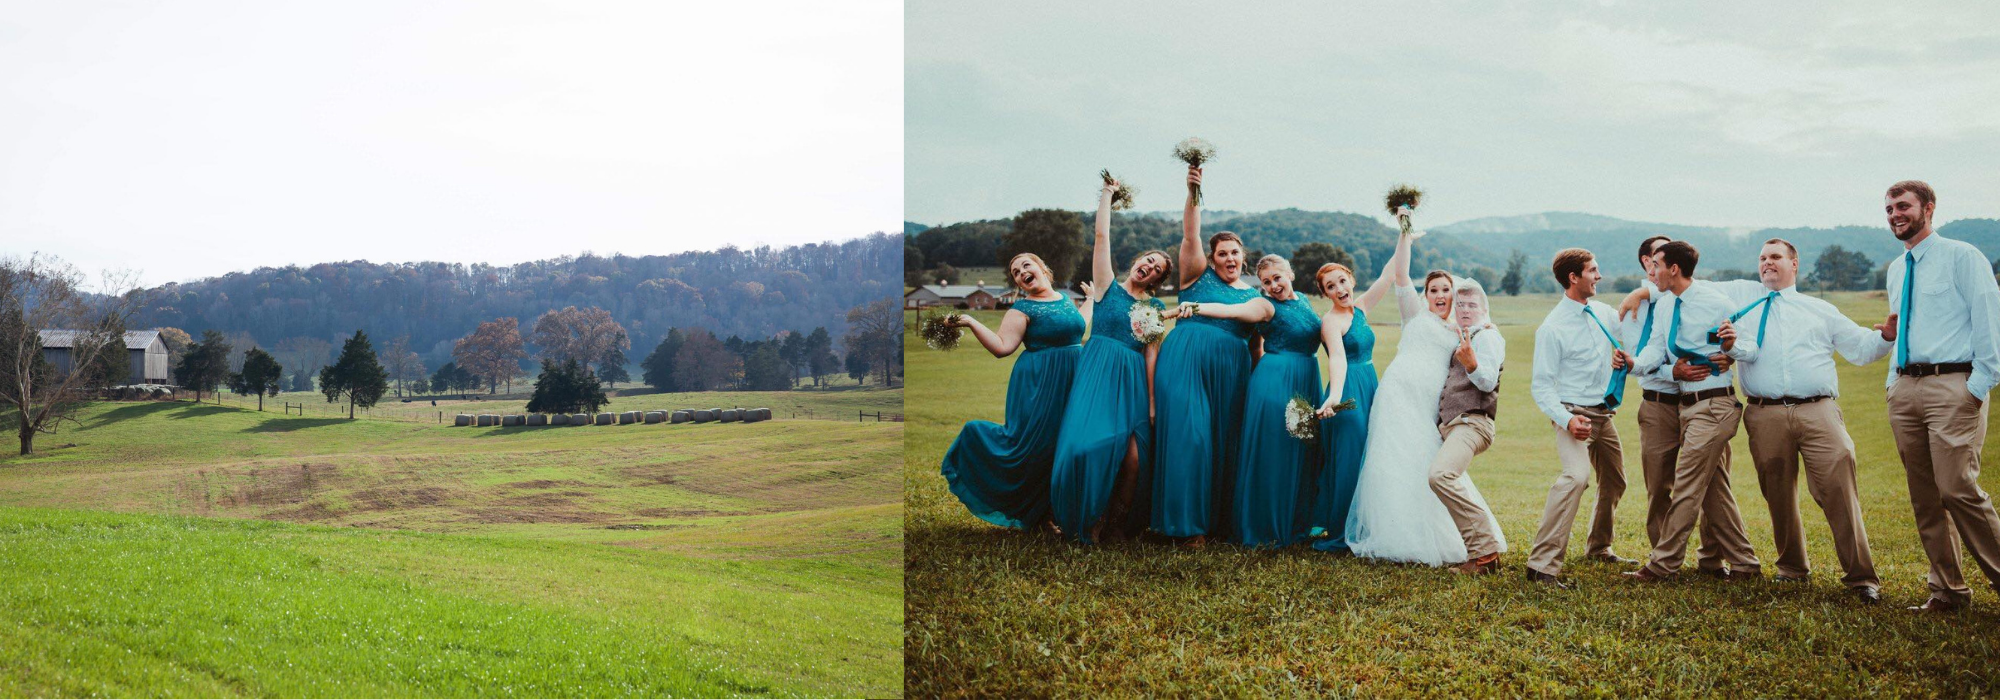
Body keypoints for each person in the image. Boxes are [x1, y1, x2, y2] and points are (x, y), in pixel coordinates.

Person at [1625, 238, 1891, 602]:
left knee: (1836, 491)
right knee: (1776, 495)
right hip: (1763, 412)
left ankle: (1862, 578)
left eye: (1776, 257)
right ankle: (1791, 570)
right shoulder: (1741, 301)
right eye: (1763, 258)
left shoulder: (1819, 309)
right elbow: (1682, 286)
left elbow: (1862, 348)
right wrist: (1639, 297)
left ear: (1794, 264)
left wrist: (1886, 338)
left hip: (1817, 408)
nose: (1767, 263)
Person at [1342, 206, 1506, 566]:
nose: (1440, 294)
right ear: (1426, 293)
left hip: (1431, 403)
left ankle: (1450, 537)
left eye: (1447, 289)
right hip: (1398, 393)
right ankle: (1393, 533)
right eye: (1434, 289)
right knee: (1390, 460)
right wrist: (1404, 231)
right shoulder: (1413, 313)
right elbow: (1400, 273)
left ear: (1454, 293)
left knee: (1427, 463)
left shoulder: (1461, 330)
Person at [1878, 180, 2000, 613]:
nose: (1895, 214)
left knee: (1958, 489)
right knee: (1925, 495)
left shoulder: (1962, 256)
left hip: (1953, 385)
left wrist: (1977, 385)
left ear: (1928, 208)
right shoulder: (1898, 268)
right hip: (1906, 388)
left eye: (1904, 205)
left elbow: (1989, 320)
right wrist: (1894, 381)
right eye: (1890, 207)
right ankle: (1947, 591)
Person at [1615, 237, 1759, 579]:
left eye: (1658, 265)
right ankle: (1745, 563)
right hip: (1684, 407)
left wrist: (1733, 346)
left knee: (1687, 484)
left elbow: (1750, 347)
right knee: (1713, 489)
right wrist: (1631, 363)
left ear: (1674, 269)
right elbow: (1653, 351)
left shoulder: (1715, 300)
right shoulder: (1665, 305)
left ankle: (1663, 565)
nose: (1653, 271)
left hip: (1715, 404)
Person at [1048, 176, 1173, 543]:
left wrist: (1151, 401)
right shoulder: (1106, 286)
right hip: (1098, 371)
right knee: (1085, 447)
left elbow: (1151, 351)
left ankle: (1115, 523)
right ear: (1137, 261)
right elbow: (1101, 238)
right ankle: (1079, 517)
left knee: (1134, 459)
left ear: (1157, 282)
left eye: (1156, 270)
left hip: (1133, 378)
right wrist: (1107, 195)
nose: (1148, 267)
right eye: (1147, 261)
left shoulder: (1152, 307)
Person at [1175, 255, 1323, 547]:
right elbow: (1234, 311)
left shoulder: (1304, 300)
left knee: (1302, 451)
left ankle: (1296, 523)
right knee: (1276, 453)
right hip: (1276, 382)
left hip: (1306, 379)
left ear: (1290, 273)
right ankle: (1266, 526)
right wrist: (1196, 306)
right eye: (1266, 282)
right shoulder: (1265, 305)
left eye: (1277, 278)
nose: (1273, 286)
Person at [1151, 166, 1261, 546]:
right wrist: (1193, 192)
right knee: (1190, 437)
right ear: (1212, 259)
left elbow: (1256, 347)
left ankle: (1214, 522)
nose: (1229, 258)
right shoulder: (1197, 276)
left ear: (1243, 257)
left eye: (1235, 253)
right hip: (1185, 362)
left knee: (1220, 442)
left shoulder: (1254, 297)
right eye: (1222, 254)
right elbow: (1190, 234)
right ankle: (1186, 526)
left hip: (1231, 375)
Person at [938, 252, 1087, 532]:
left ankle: (1056, 512)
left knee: (1066, 444)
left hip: (1074, 379)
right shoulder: (1021, 310)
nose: (1021, 273)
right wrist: (971, 321)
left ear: (1042, 267)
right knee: (1038, 447)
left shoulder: (1066, 300)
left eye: (1025, 266)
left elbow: (1078, 328)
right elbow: (1002, 346)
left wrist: (1091, 299)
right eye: (1016, 272)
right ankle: (1039, 516)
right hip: (1040, 384)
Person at [1524, 248, 1633, 588]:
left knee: (1615, 480)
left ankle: (1599, 547)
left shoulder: (1601, 312)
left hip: (1604, 413)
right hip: (1572, 414)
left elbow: (1631, 326)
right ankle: (1541, 566)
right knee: (1576, 477)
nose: (1599, 276)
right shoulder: (1552, 328)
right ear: (1574, 278)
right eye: (1593, 270)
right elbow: (1541, 387)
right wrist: (1567, 420)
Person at [1304, 255, 1397, 552]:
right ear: (1325, 293)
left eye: (1342, 281)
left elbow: (1387, 276)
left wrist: (1404, 234)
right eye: (1331, 286)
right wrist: (1335, 396)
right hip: (1347, 392)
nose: (1339, 288)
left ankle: (1366, 524)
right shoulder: (1330, 321)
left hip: (1369, 384)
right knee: (1349, 460)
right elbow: (1338, 358)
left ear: (1352, 280)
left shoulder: (1360, 309)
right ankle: (1343, 529)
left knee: (1370, 456)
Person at [1428, 278, 1508, 574]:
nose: (1464, 309)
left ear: (1484, 310)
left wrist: (1472, 363)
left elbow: (1487, 381)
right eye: (1460, 305)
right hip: (1455, 424)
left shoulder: (1487, 336)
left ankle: (1485, 553)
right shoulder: (1464, 334)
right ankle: (1482, 551)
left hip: (1473, 422)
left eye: (1472, 305)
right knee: (1443, 476)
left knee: (1441, 476)